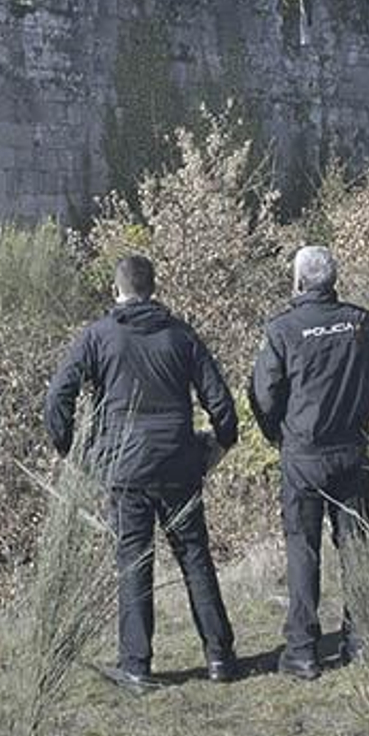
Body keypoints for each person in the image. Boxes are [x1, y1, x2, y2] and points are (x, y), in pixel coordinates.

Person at [45, 255, 240, 691]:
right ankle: (220, 658)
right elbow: (222, 404)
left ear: (117, 290)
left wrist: (73, 453)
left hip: (125, 467)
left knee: (134, 562)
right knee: (195, 557)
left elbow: (58, 399)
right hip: (178, 463)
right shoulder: (181, 335)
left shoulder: (97, 337)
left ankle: (136, 665)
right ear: (153, 288)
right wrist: (218, 447)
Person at [250, 245, 369, 680]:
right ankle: (361, 637)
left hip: (304, 455)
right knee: (355, 546)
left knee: (302, 548)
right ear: (333, 279)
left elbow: (263, 396)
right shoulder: (362, 322)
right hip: (352, 450)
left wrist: (278, 433)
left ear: (298, 282)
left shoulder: (283, 329)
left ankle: (303, 650)